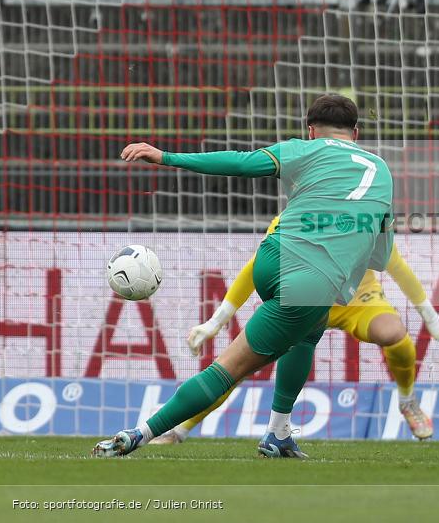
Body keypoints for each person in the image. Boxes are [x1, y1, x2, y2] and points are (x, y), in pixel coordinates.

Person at [93, 94, 395, 458]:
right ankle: (137, 435)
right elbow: (380, 254)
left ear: (311, 130)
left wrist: (166, 157)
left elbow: (241, 163)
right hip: (309, 281)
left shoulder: (303, 150)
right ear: (356, 133)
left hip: (270, 256)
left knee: (310, 330)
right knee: (230, 369)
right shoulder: (382, 170)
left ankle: (278, 433)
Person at [151, 232, 439, 447]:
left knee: (394, 334)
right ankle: (179, 429)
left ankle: (407, 401)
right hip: (305, 299)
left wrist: (432, 320)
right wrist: (215, 322)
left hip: (358, 301)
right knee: (239, 365)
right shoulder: (296, 214)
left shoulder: (367, 213)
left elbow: (397, 265)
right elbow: (254, 266)